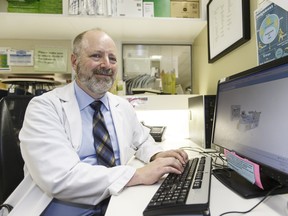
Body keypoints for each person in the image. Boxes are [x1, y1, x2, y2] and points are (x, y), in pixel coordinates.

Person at [3, 28, 188, 216]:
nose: (106, 65)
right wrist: (139, 174)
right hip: (61, 207)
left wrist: (157, 155)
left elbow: (141, 140)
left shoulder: (121, 106)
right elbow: (60, 178)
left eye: (112, 59)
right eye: (97, 56)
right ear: (75, 62)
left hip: (115, 199)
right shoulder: (44, 107)